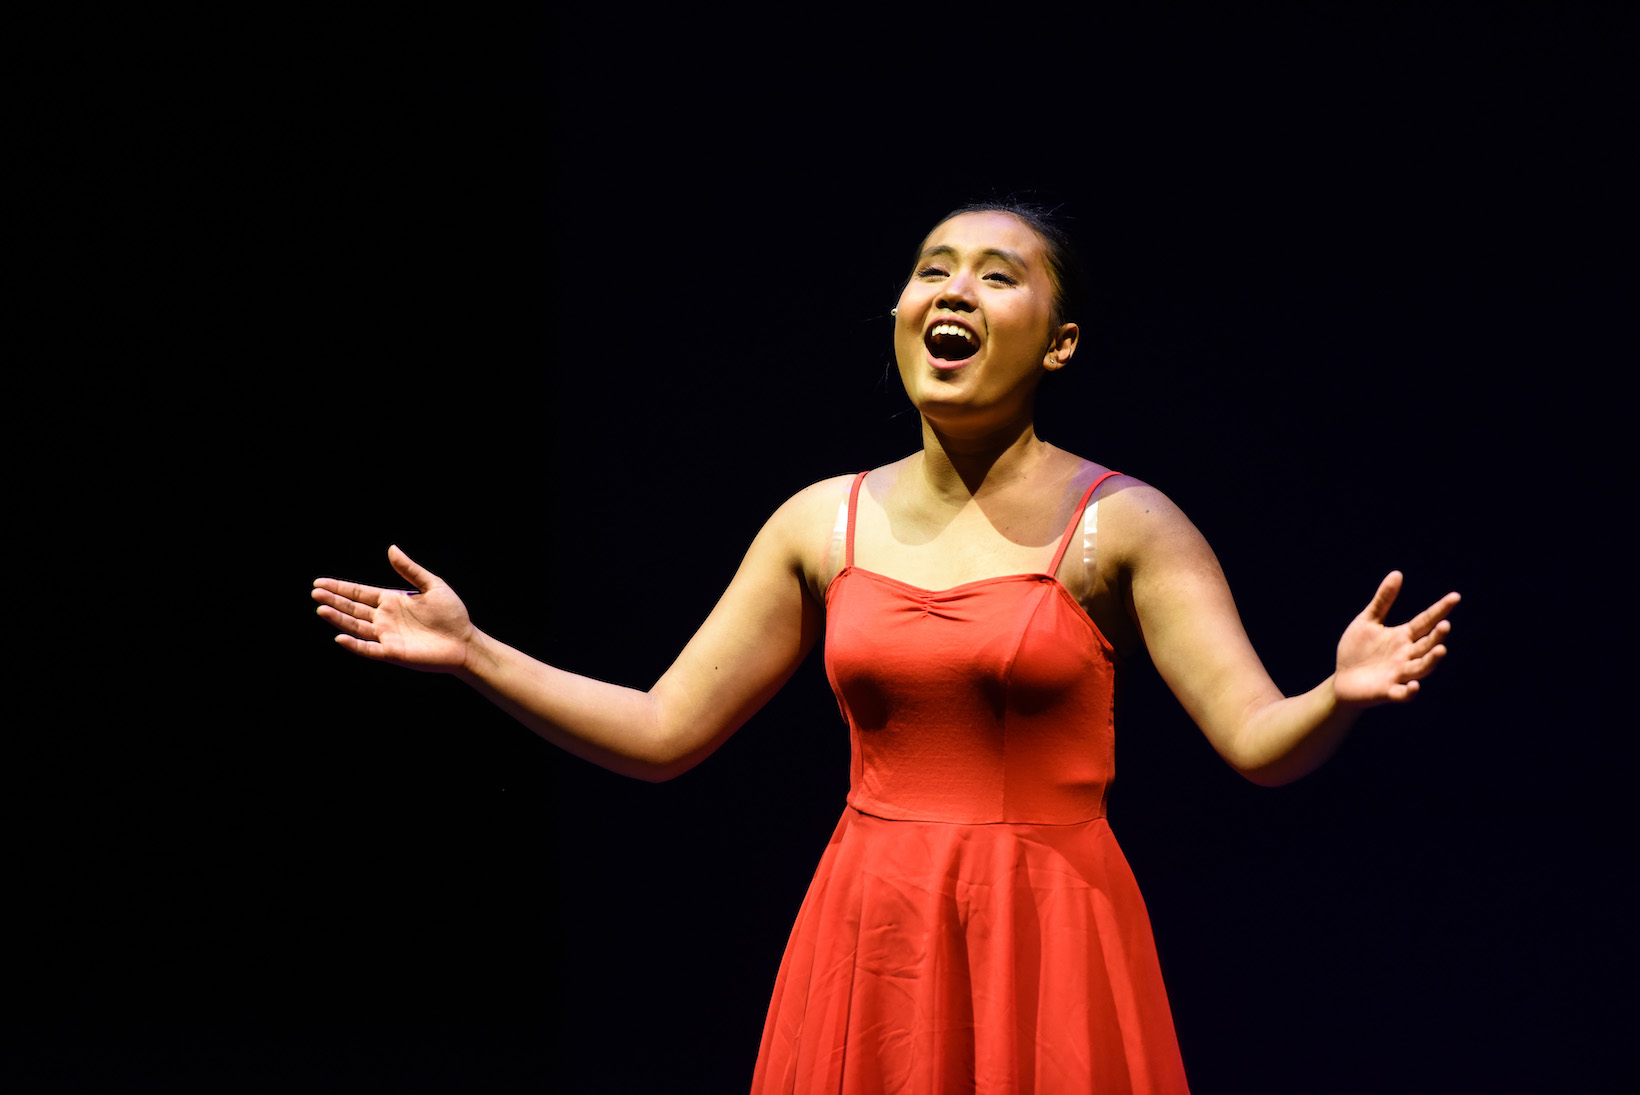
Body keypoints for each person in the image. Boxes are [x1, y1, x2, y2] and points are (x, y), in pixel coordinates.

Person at [312, 202, 1459, 1093]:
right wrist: (476, 653)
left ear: (1059, 343)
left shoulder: (1122, 525)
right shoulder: (821, 522)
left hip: (1047, 932)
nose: (952, 290)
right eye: (931, 269)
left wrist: (1336, 695)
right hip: (873, 932)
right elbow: (664, 731)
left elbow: (1255, 741)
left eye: (995, 276)